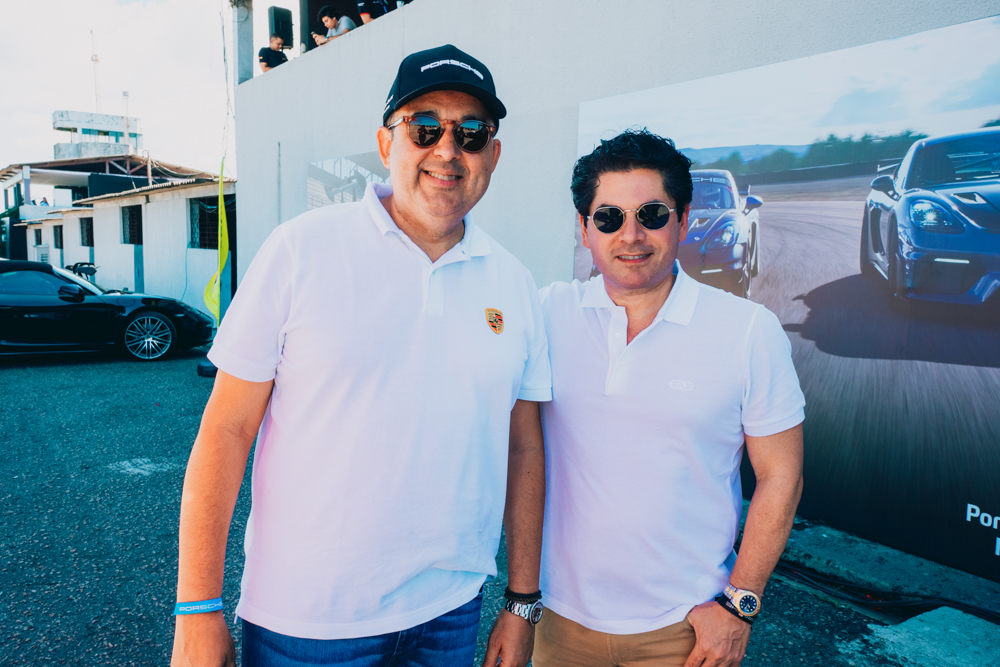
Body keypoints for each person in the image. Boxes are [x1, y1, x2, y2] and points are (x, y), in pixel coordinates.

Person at [170, 44, 551, 667]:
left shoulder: (514, 284)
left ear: (494, 154)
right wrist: (196, 609)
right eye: (424, 127)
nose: (448, 150)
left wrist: (522, 601)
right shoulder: (300, 250)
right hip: (306, 624)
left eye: (471, 133)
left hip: (452, 613)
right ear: (385, 144)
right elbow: (227, 429)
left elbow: (524, 448)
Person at [533, 130, 805, 667]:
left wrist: (740, 605)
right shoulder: (543, 316)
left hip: (686, 632)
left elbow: (781, 477)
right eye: (609, 217)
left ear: (682, 221)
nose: (631, 235)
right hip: (558, 623)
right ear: (584, 229)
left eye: (652, 214)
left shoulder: (749, 331)